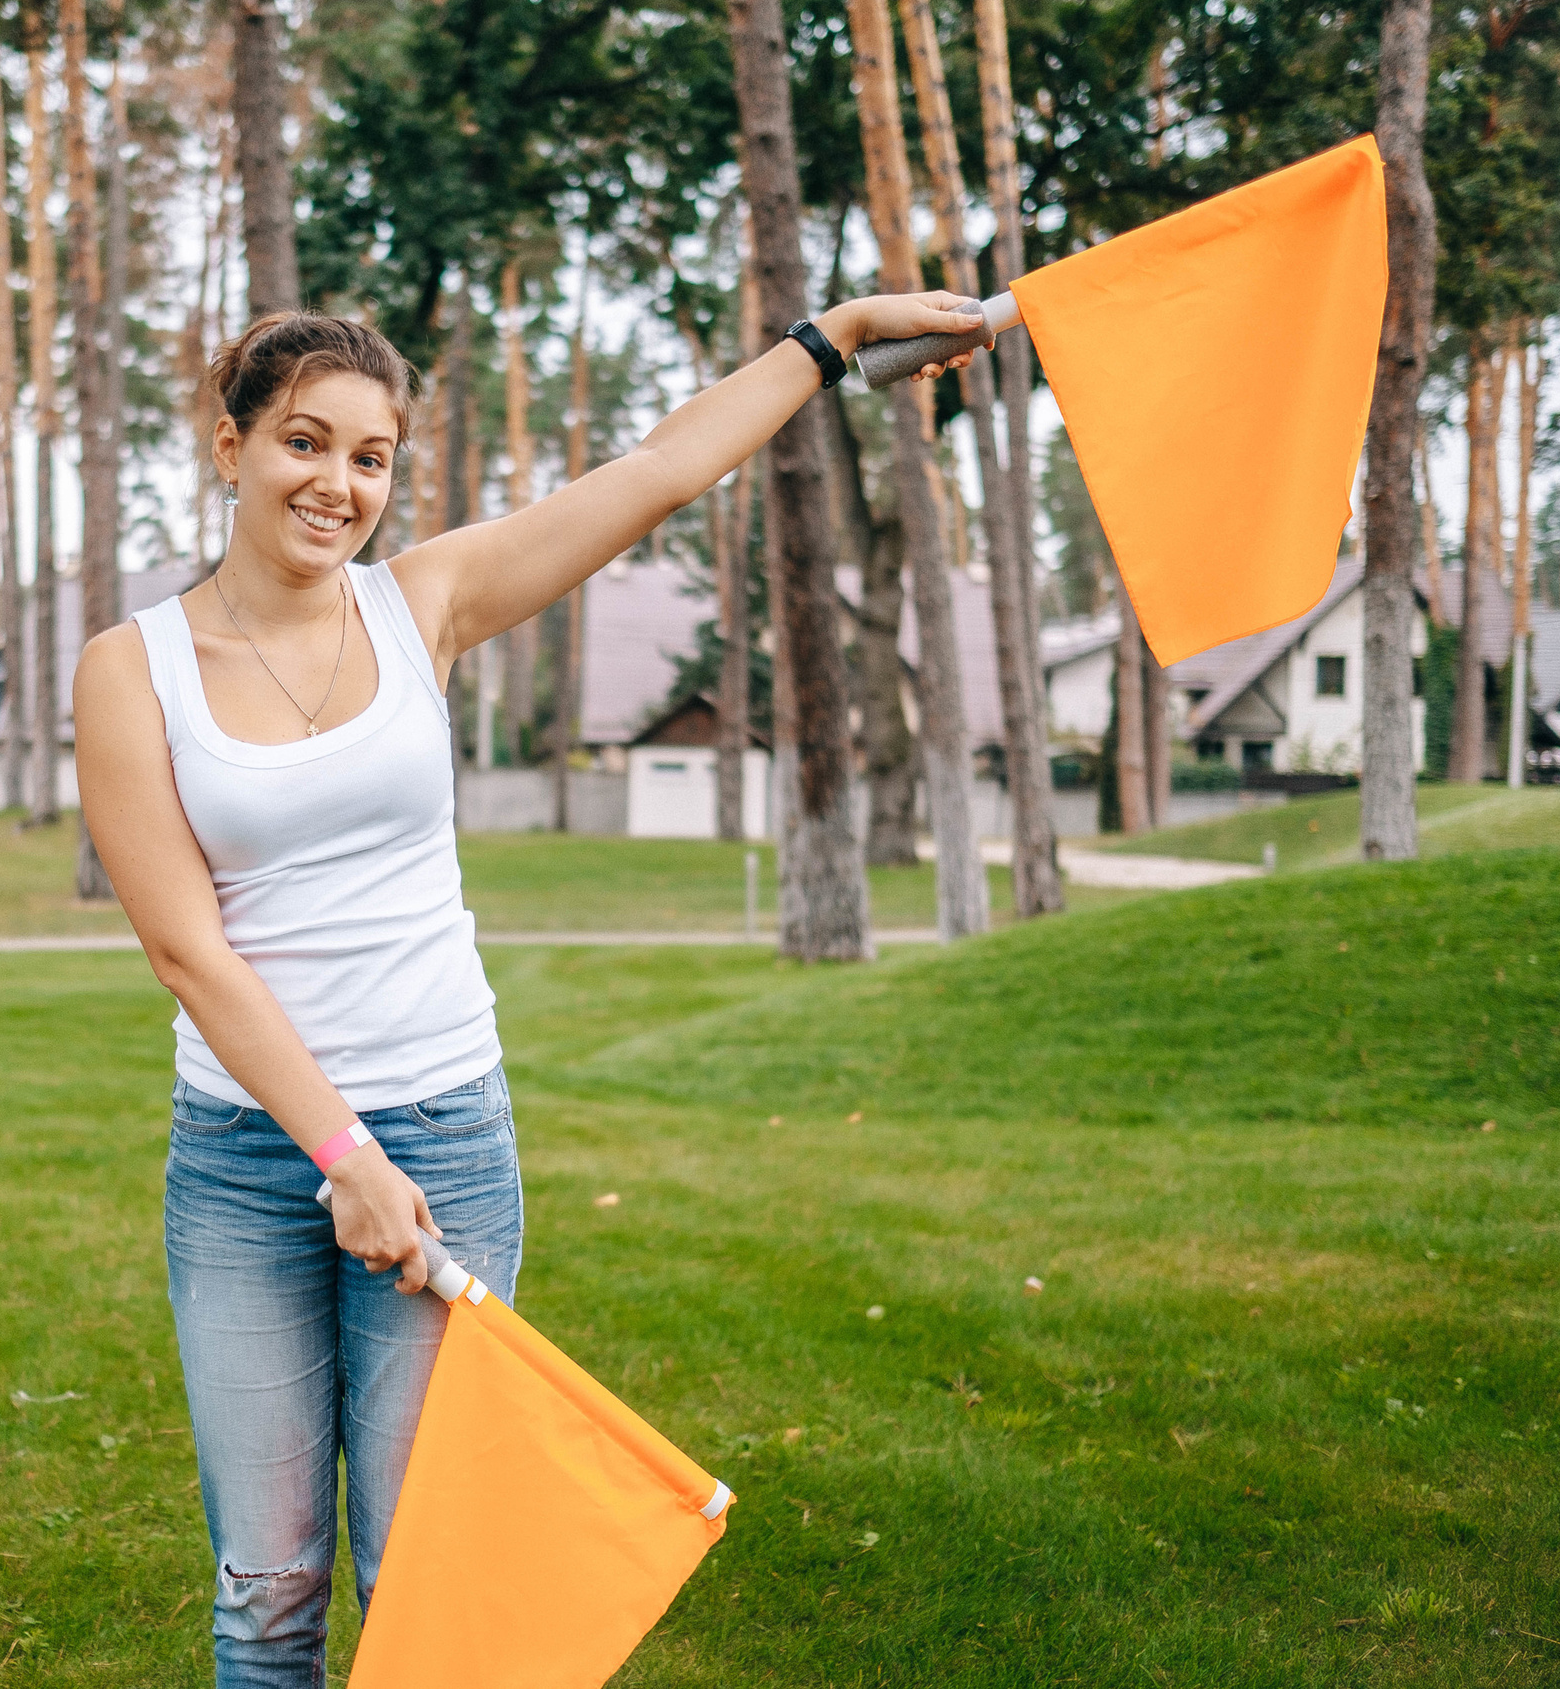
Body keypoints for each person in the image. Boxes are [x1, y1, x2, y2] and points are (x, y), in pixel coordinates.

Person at [74, 291, 981, 1685]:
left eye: (371, 459)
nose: (337, 486)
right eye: (305, 444)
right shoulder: (129, 671)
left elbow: (656, 471)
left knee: (425, 1571)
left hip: (443, 1136)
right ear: (231, 444)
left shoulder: (422, 602)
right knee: (267, 1587)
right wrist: (341, 1155)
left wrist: (835, 338)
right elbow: (190, 951)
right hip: (252, 1163)